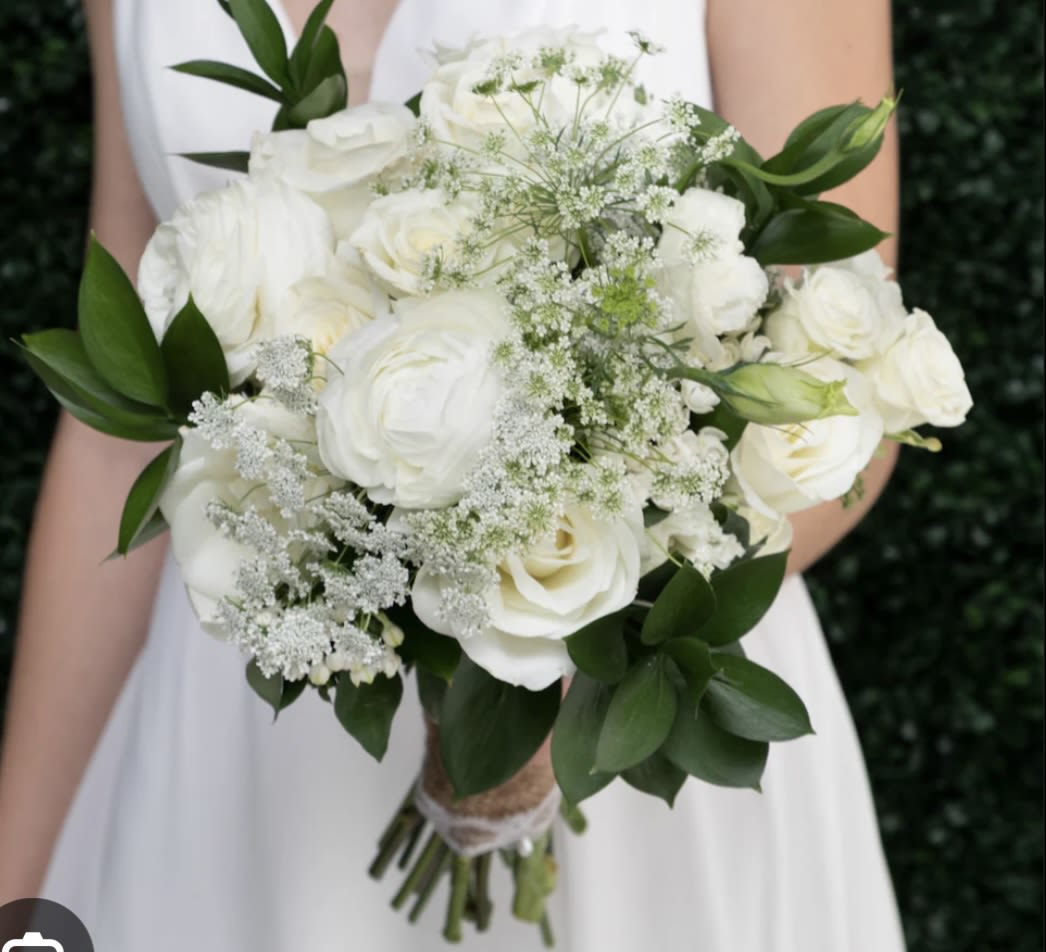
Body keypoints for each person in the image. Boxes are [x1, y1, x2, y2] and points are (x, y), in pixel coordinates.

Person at [0, 0, 906, 948]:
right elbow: (123, 432)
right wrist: (24, 904)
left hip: (625, 719)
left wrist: (564, 648)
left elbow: (845, 383)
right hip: (239, 727)